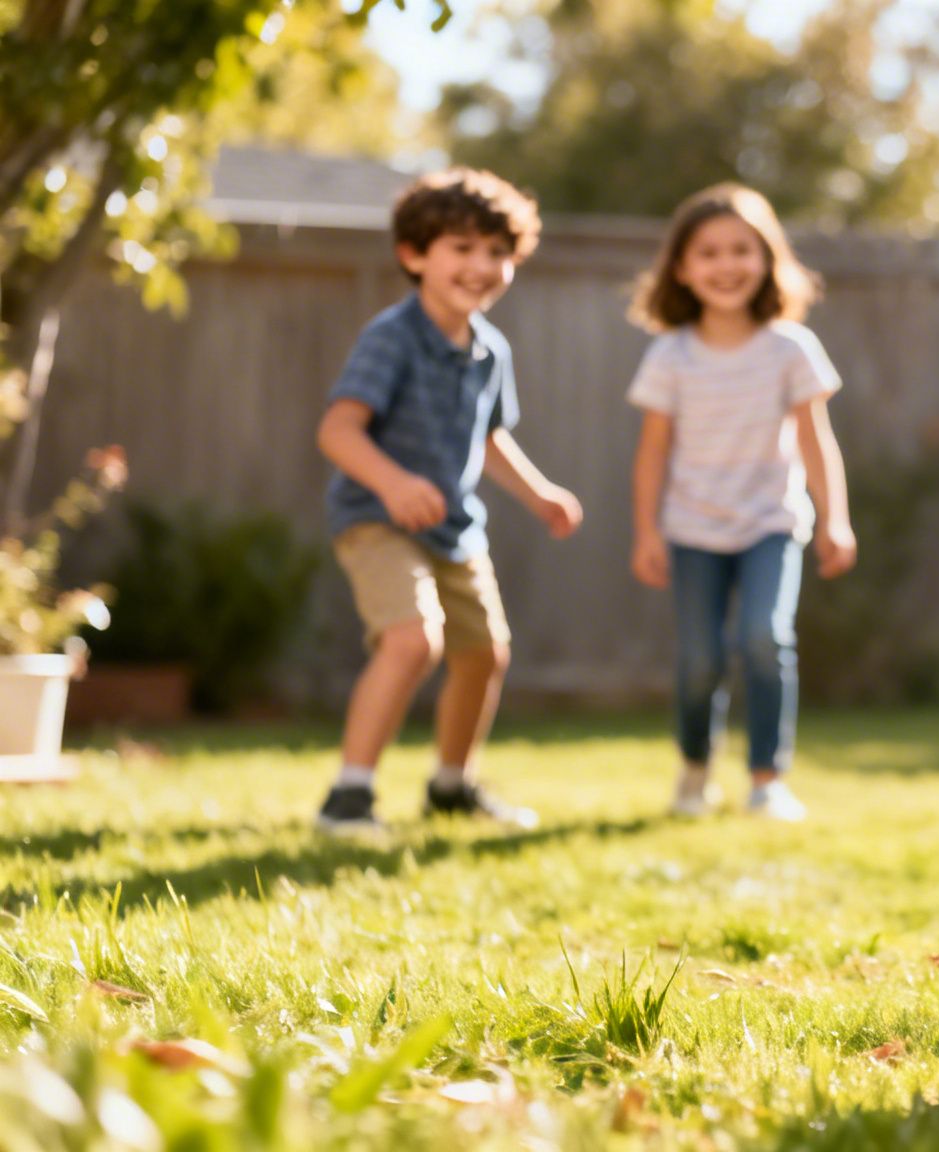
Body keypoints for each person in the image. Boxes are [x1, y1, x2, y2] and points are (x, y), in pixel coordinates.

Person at [312, 168, 583, 834]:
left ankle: (451, 785)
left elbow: (488, 440)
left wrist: (539, 494)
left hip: (455, 528)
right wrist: (394, 482)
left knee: (485, 652)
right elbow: (337, 431)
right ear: (414, 255)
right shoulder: (393, 337)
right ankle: (349, 795)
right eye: (462, 248)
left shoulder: (491, 351)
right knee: (412, 641)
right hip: (376, 520)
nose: (481, 265)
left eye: (497, 252)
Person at [626, 183, 856, 821]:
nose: (726, 265)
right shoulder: (670, 355)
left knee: (763, 636)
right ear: (682, 268)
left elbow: (816, 441)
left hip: (770, 525)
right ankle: (696, 769)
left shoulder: (789, 349)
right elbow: (651, 455)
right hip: (692, 528)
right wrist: (646, 533)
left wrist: (834, 518)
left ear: (768, 260)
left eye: (741, 251)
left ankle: (766, 779)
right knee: (700, 660)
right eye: (709, 253)